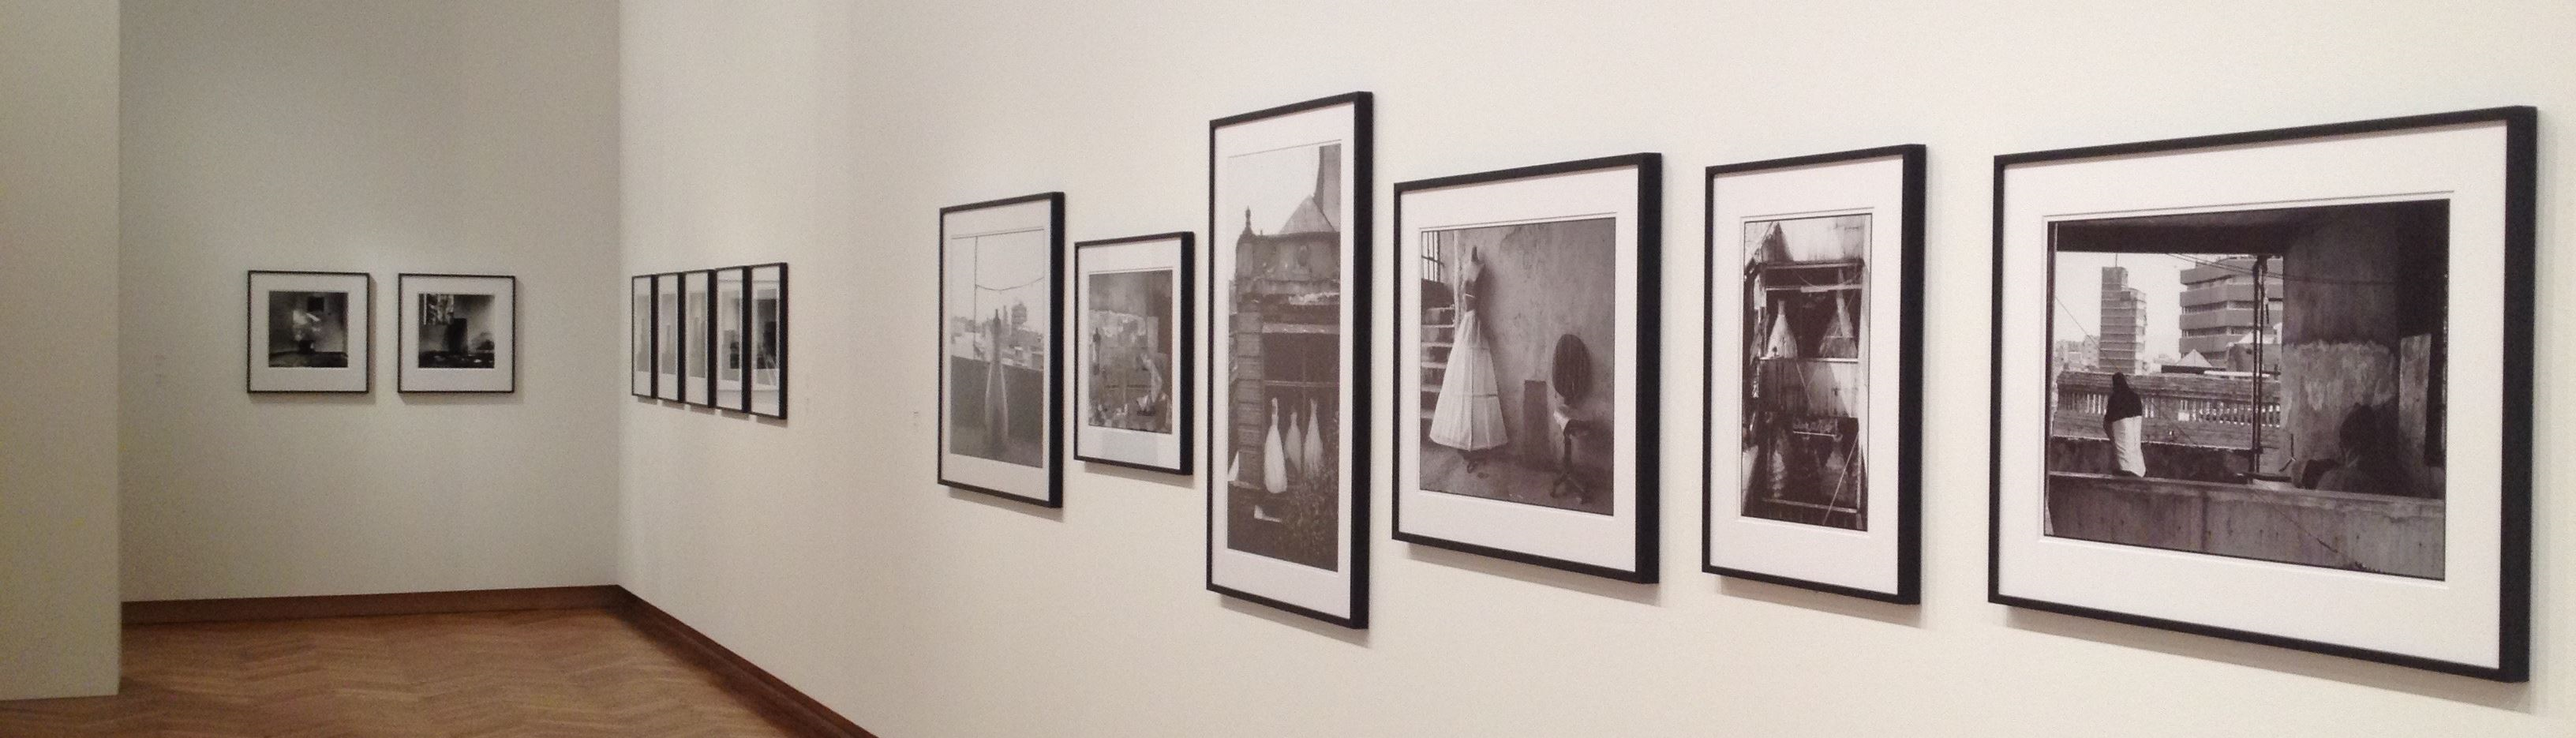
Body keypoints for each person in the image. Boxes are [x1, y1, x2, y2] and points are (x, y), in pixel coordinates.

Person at [1427, 247, 1507, 466]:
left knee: (1477, 378)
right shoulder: (1469, 269)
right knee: (1462, 378)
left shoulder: (1479, 269)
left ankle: (1477, 442)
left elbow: (1474, 300)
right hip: (1467, 324)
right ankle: (1464, 439)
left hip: (1474, 323)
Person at [2103, 373, 2146, 477]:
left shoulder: (2115, 399)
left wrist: (2113, 441)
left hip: (2125, 467)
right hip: (2141, 468)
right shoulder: (2136, 398)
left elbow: (2106, 424)